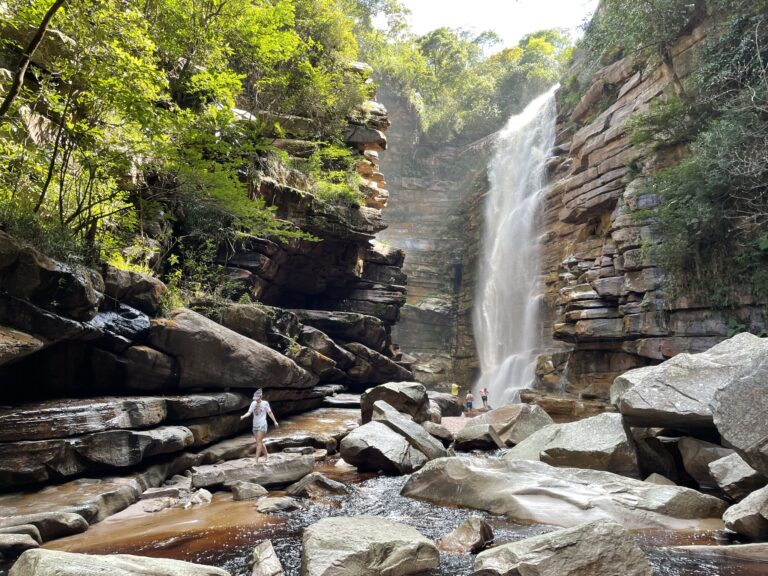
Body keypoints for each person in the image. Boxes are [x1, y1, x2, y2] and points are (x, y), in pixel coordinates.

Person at [240, 389, 279, 462]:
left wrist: (275, 421)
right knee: (259, 442)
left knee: (258, 443)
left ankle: (256, 461)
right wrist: (244, 416)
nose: (256, 400)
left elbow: (270, 413)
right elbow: (249, 412)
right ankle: (267, 456)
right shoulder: (253, 403)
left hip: (262, 425)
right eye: (255, 398)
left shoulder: (265, 403)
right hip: (255, 425)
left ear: (260, 396)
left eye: (257, 398)